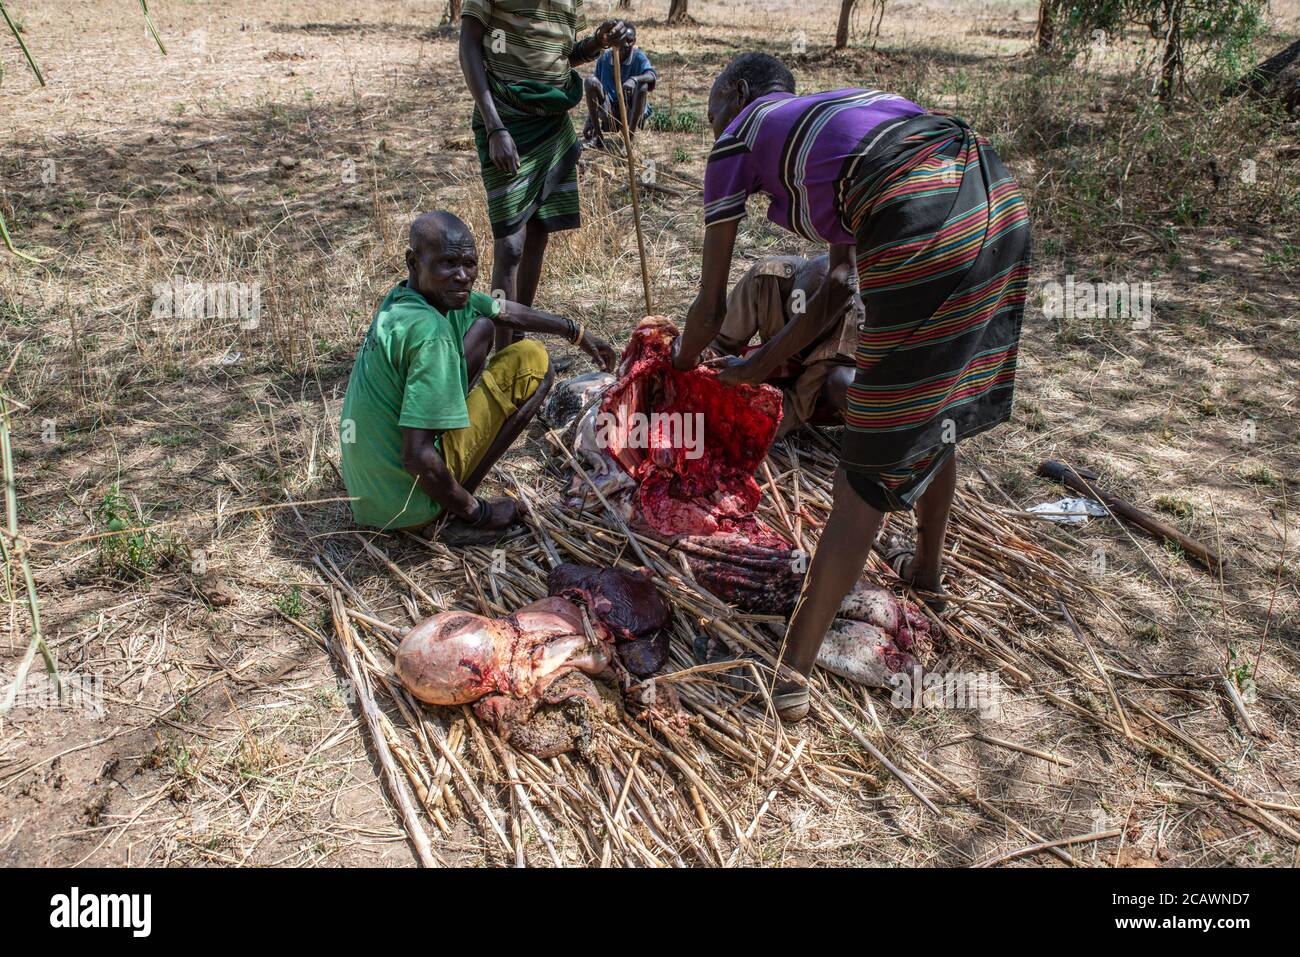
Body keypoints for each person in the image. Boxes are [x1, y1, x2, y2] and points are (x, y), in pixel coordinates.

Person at [674, 53, 1031, 722]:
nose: (711, 123)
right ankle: (926, 574)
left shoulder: (739, 137)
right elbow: (836, 286)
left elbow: (706, 309)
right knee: (938, 407)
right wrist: (757, 367)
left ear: (740, 94)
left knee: (862, 470)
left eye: (713, 105)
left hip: (919, 211)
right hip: (995, 195)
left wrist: (675, 367)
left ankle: (790, 675)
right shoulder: (834, 125)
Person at [339, 211, 616, 542]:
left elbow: (505, 311)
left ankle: (447, 468)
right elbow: (416, 456)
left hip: (370, 496)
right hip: (408, 506)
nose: (462, 276)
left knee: (483, 325)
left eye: (469, 263)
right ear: (414, 262)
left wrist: (575, 331)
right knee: (533, 361)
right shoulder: (431, 334)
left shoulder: (403, 302)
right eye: (448, 263)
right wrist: (478, 512)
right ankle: (449, 511)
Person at [458, 2, 631, 353]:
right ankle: (501, 359)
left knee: (537, 234)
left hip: (551, 120)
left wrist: (598, 41)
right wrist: (494, 128)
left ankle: (518, 345)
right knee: (510, 245)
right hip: (506, 118)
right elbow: (468, 46)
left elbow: (565, 56)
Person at [710, 253, 861, 438]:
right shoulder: (766, 279)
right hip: (773, 365)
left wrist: (749, 433)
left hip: (821, 393)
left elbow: (798, 405)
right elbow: (723, 341)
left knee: (843, 384)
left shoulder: (854, 327)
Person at [581, 21, 657, 148]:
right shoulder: (604, 59)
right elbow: (594, 90)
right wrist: (589, 120)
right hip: (609, 108)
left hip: (630, 109)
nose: (627, 44)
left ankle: (629, 139)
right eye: (624, 40)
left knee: (643, 86)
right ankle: (597, 136)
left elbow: (652, 75)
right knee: (590, 81)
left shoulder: (638, 57)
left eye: (630, 41)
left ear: (635, 41)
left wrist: (634, 80)